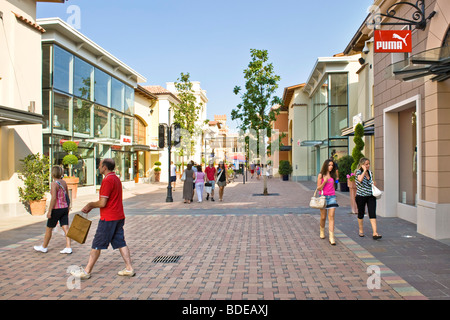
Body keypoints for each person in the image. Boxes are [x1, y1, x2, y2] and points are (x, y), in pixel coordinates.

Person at [70, 158, 134, 280]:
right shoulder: (116, 178)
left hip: (108, 218)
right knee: (121, 242)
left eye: (99, 166)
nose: (98, 168)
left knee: (97, 244)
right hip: (119, 216)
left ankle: (87, 271)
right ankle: (129, 268)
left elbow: (102, 202)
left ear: (104, 167)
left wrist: (89, 205)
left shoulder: (107, 180)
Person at [34, 166, 72, 254]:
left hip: (56, 209)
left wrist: (50, 211)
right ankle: (68, 247)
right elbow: (68, 197)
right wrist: (68, 207)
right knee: (66, 227)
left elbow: (54, 198)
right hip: (64, 208)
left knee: (49, 229)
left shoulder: (54, 183)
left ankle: (44, 247)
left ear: (53, 173)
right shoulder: (64, 182)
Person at [355, 158, 382, 240]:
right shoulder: (358, 172)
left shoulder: (370, 173)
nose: (368, 165)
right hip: (361, 196)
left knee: (372, 212)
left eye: (369, 164)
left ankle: (375, 233)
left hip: (370, 196)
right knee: (361, 213)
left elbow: (371, 182)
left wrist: (373, 183)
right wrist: (364, 171)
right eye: (366, 164)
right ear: (362, 165)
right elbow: (359, 180)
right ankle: (361, 230)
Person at [317, 159, 339, 245]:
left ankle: (331, 237)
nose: (331, 167)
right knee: (323, 217)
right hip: (323, 197)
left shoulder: (333, 175)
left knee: (331, 216)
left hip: (332, 197)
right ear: (326, 165)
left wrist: (334, 196)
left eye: (332, 165)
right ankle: (322, 230)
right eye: (329, 165)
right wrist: (324, 182)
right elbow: (319, 188)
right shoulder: (321, 175)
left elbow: (334, 185)